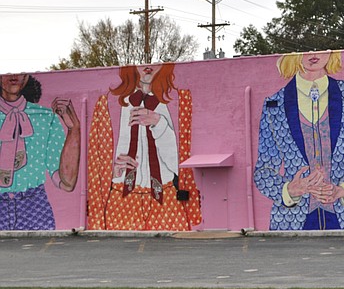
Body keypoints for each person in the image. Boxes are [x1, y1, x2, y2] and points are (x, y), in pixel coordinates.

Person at [254, 50, 344, 230]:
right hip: (292, 221)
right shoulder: (274, 104)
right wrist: (290, 190)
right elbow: (263, 171)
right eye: (303, 48)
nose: (313, 54)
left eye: (322, 47)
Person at [87, 63, 201, 230]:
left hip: (166, 197)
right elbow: (95, 160)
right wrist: (113, 171)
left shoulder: (179, 101)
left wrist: (159, 124)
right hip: (121, 197)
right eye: (141, 66)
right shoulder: (108, 104)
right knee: (117, 251)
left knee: (176, 251)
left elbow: (182, 165)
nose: (148, 68)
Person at [0, 74, 80, 230]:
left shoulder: (46, 117)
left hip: (34, 208)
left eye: (20, 71)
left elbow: (67, 183)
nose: (14, 75)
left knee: (39, 254)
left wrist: (73, 130)